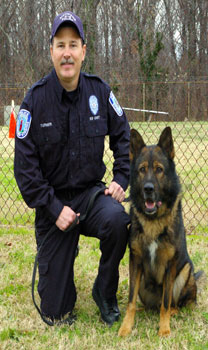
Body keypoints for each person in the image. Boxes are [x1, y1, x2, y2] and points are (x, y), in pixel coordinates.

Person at [14, 11, 130, 326]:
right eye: (61, 44)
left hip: (91, 197)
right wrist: (53, 207)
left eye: (73, 44)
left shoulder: (100, 91)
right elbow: (24, 169)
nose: (67, 52)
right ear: (51, 50)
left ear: (83, 50)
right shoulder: (34, 101)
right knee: (56, 311)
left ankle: (104, 292)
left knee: (119, 220)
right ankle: (62, 262)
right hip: (54, 207)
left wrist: (121, 178)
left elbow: (124, 137)